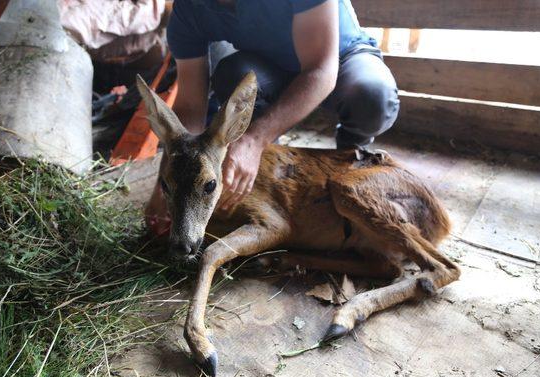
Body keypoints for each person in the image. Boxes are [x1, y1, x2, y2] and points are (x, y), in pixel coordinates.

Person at [145, 0, 399, 235]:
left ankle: (351, 159)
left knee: (372, 93)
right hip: (274, 68)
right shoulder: (190, 8)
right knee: (234, 76)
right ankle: (263, 172)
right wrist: (167, 182)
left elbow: (321, 70)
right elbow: (190, 104)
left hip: (340, 60)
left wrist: (254, 140)